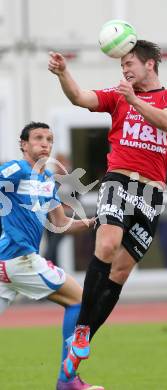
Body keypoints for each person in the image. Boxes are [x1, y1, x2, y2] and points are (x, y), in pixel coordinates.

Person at [48, 40, 167, 379]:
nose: (124, 69)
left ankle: (82, 344)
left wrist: (134, 100)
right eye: (122, 64)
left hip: (152, 193)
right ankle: (82, 330)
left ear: (150, 64)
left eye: (129, 63)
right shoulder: (118, 94)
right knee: (107, 245)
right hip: (119, 181)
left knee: (121, 272)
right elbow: (80, 97)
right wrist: (64, 74)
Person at [0, 122, 104, 390]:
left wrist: (95, 222)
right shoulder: (17, 169)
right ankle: (67, 380)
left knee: (78, 301)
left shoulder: (46, 180)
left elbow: (61, 223)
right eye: (37, 138)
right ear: (23, 144)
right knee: (79, 300)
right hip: (20, 258)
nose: (45, 143)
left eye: (49, 139)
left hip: (6, 266)